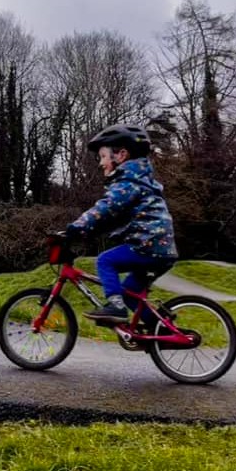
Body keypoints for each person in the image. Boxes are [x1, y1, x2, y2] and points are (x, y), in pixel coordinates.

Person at [64, 124, 179, 324]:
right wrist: (89, 231)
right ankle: (161, 329)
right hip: (159, 247)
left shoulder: (128, 181)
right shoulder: (139, 179)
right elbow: (113, 217)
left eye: (103, 156)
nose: (100, 163)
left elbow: (106, 207)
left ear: (121, 155)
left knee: (105, 260)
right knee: (130, 294)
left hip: (148, 245)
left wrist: (77, 227)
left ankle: (115, 307)